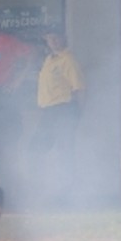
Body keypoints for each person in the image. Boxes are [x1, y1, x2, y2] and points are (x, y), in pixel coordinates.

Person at [34, 26, 85, 155]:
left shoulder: (68, 60)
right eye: (50, 38)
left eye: (56, 38)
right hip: (49, 110)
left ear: (63, 38)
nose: (53, 41)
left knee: (64, 150)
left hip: (63, 109)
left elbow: (79, 88)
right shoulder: (49, 59)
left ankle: (69, 175)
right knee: (37, 149)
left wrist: (78, 114)